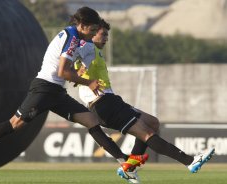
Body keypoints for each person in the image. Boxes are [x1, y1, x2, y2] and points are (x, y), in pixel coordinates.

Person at [0, 7, 147, 174]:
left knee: (91, 120)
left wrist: (77, 73)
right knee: (14, 124)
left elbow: (65, 69)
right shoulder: (73, 38)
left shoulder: (74, 36)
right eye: (92, 30)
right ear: (82, 25)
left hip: (56, 92)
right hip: (44, 89)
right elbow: (62, 71)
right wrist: (87, 81)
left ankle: (123, 160)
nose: (93, 34)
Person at [75, 19, 215, 183]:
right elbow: (77, 64)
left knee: (152, 123)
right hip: (103, 104)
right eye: (103, 34)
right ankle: (190, 161)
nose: (106, 38)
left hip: (111, 101)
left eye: (107, 35)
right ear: (92, 33)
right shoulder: (88, 48)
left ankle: (130, 169)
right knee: (147, 134)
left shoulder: (94, 51)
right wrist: (78, 71)